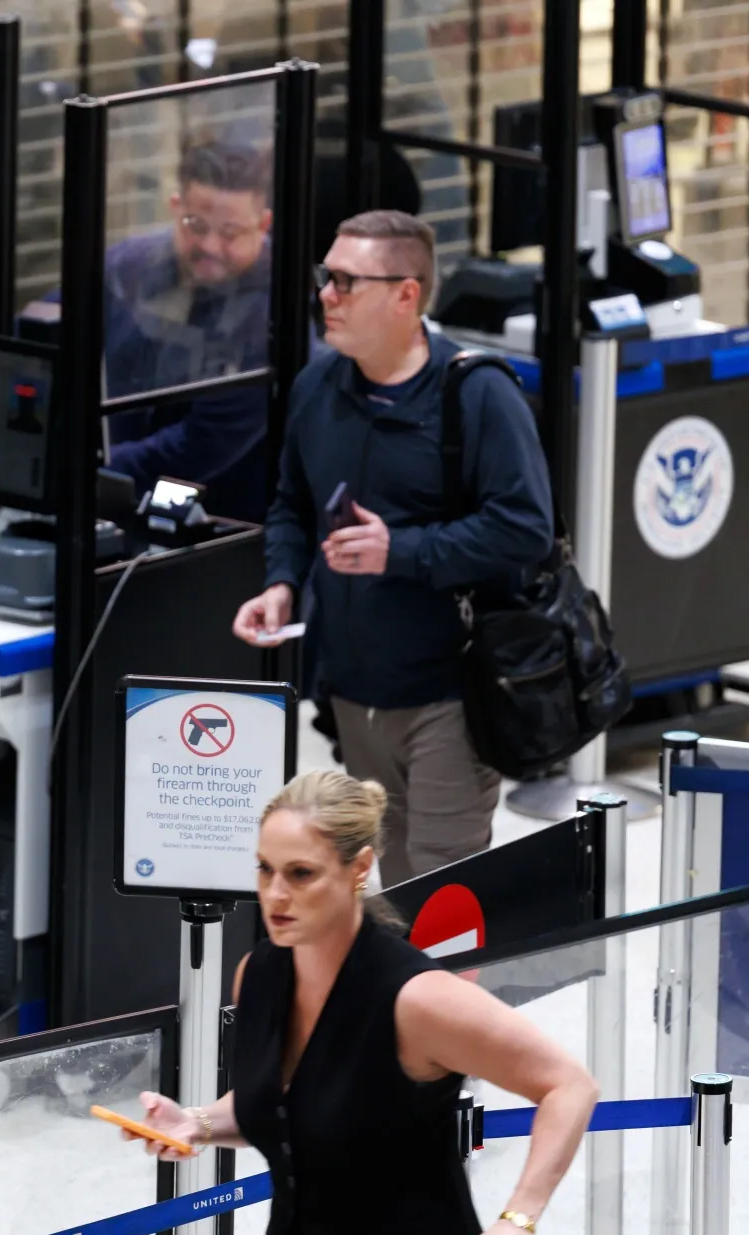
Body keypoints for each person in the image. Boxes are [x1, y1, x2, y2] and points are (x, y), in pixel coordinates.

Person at [126, 771, 597, 1235]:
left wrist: (518, 1219)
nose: (276, 894)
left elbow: (569, 1085)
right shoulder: (260, 973)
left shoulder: (417, 1001)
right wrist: (198, 1122)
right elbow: (288, 1104)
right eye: (265, 869)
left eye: (301, 874)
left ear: (359, 869)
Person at [232, 209, 555, 888]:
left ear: (407, 295)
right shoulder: (317, 388)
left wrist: (399, 551)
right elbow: (292, 502)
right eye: (327, 277)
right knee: (388, 884)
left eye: (347, 281)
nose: (327, 294)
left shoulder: (477, 394)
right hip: (353, 690)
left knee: (440, 894)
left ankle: (448, 998)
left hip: (451, 691)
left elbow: (524, 527)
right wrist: (282, 581)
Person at [50, 139, 305, 522]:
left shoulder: (274, 314)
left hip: (228, 525)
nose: (211, 246)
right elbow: (50, 323)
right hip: (119, 496)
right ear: (175, 207)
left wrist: (85, 466)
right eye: (195, 225)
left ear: (264, 224)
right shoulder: (130, 267)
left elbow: (200, 445)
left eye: (230, 232)